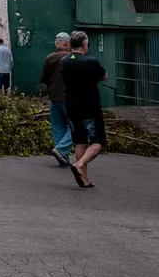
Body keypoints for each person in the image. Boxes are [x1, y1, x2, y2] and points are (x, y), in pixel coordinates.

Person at [61, 30, 107, 188]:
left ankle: (84, 177)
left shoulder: (65, 61)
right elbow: (104, 76)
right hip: (90, 106)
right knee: (98, 141)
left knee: (80, 142)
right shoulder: (91, 61)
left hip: (72, 106)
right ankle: (80, 165)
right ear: (85, 45)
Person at [38, 32, 75, 167]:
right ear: (67, 43)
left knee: (58, 127)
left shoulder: (49, 58)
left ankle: (63, 157)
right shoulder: (71, 57)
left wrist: (46, 93)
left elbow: (44, 81)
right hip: (69, 97)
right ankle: (61, 149)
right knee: (77, 126)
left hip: (54, 98)